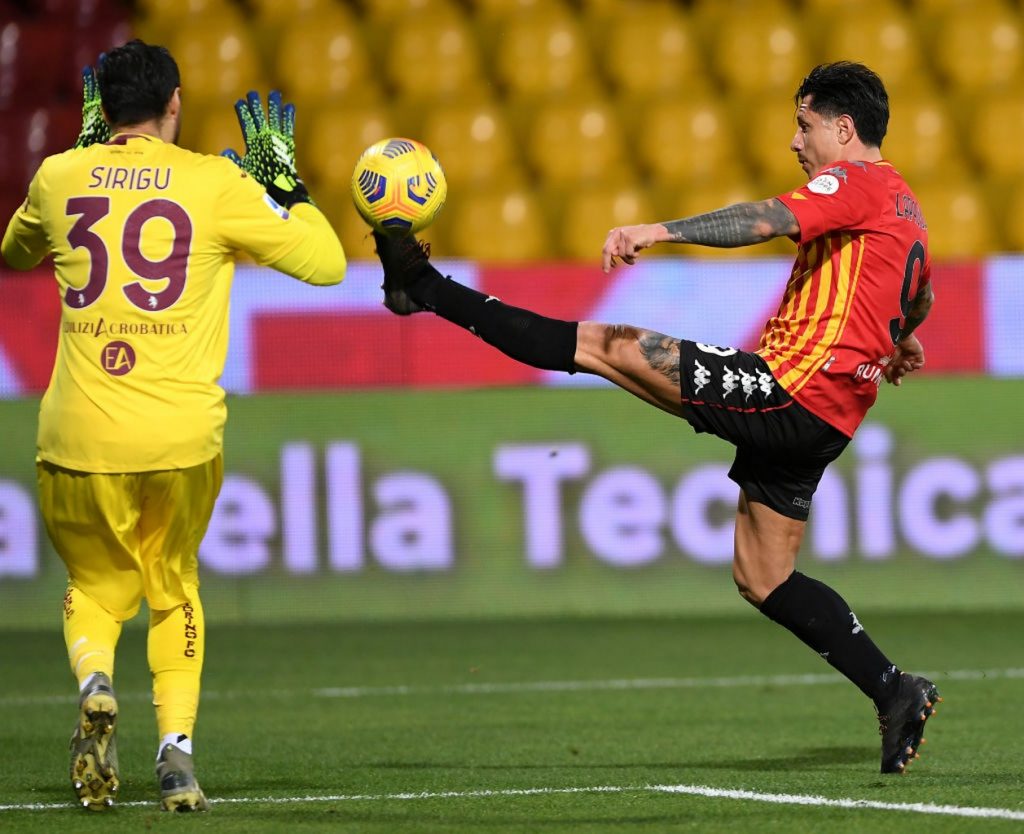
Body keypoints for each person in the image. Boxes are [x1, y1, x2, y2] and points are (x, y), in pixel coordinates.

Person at [372, 61, 939, 774]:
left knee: (601, 344)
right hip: (827, 419)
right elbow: (917, 293)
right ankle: (895, 690)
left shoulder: (853, 183)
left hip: (786, 389)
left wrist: (659, 229)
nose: (796, 141)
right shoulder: (906, 205)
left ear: (844, 127)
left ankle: (422, 287)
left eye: (805, 124)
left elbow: (764, 219)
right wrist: (901, 336)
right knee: (763, 576)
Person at [1, 40, 346, 811]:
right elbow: (326, 265)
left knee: (93, 585)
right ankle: (176, 752)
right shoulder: (215, 182)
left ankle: (96, 679)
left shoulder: (59, 175)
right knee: (173, 589)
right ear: (176, 105)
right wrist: (285, 187)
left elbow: (13, 249)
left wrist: (83, 156)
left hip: (76, 436)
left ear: (101, 109)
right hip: (181, 440)